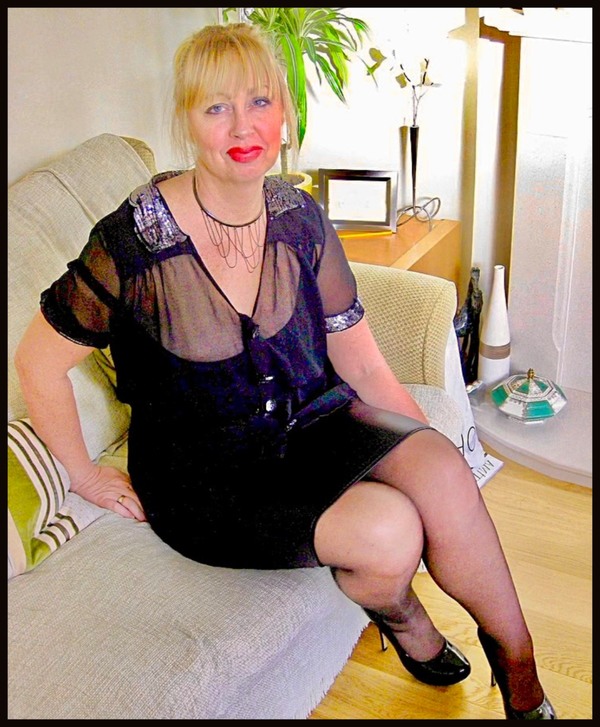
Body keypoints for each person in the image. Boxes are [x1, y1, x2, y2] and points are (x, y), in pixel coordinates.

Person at [15, 22, 555, 720]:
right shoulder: (134, 242)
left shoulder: (298, 215)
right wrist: (83, 473)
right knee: (389, 532)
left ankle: (520, 670)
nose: (243, 126)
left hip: (311, 420)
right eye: (217, 107)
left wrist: (422, 448)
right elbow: (37, 362)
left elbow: (360, 358)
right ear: (187, 120)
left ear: (285, 114)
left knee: (441, 468)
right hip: (205, 475)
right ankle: (402, 616)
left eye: (260, 102)